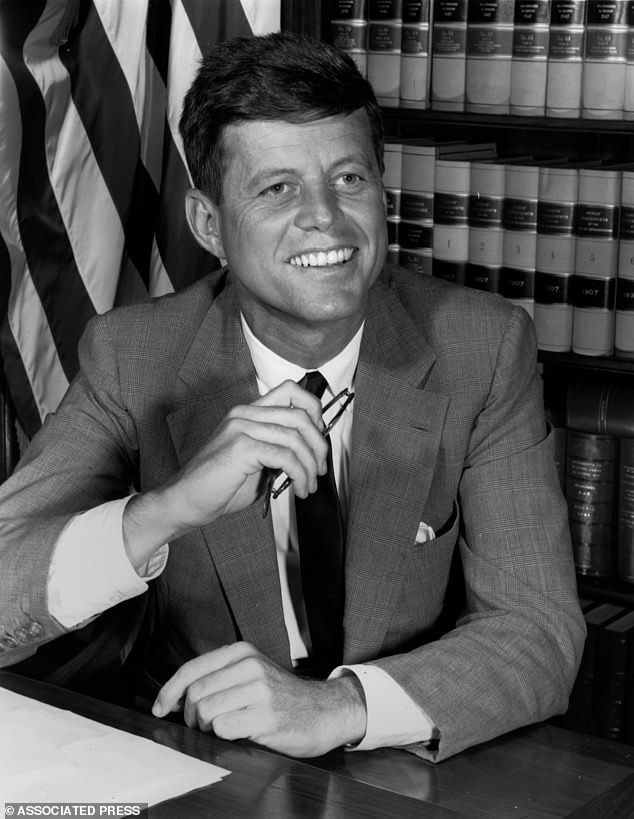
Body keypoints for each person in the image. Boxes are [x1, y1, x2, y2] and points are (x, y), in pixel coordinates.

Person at [0, 31, 584, 762]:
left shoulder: (483, 348)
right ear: (209, 226)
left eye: (349, 179)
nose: (325, 218)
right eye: (277, 188)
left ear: (383, 193)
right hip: (208, 764)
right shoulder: (133, 357)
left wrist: (338, 706)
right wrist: (169, 508)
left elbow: (539, 630)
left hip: (404, 764)